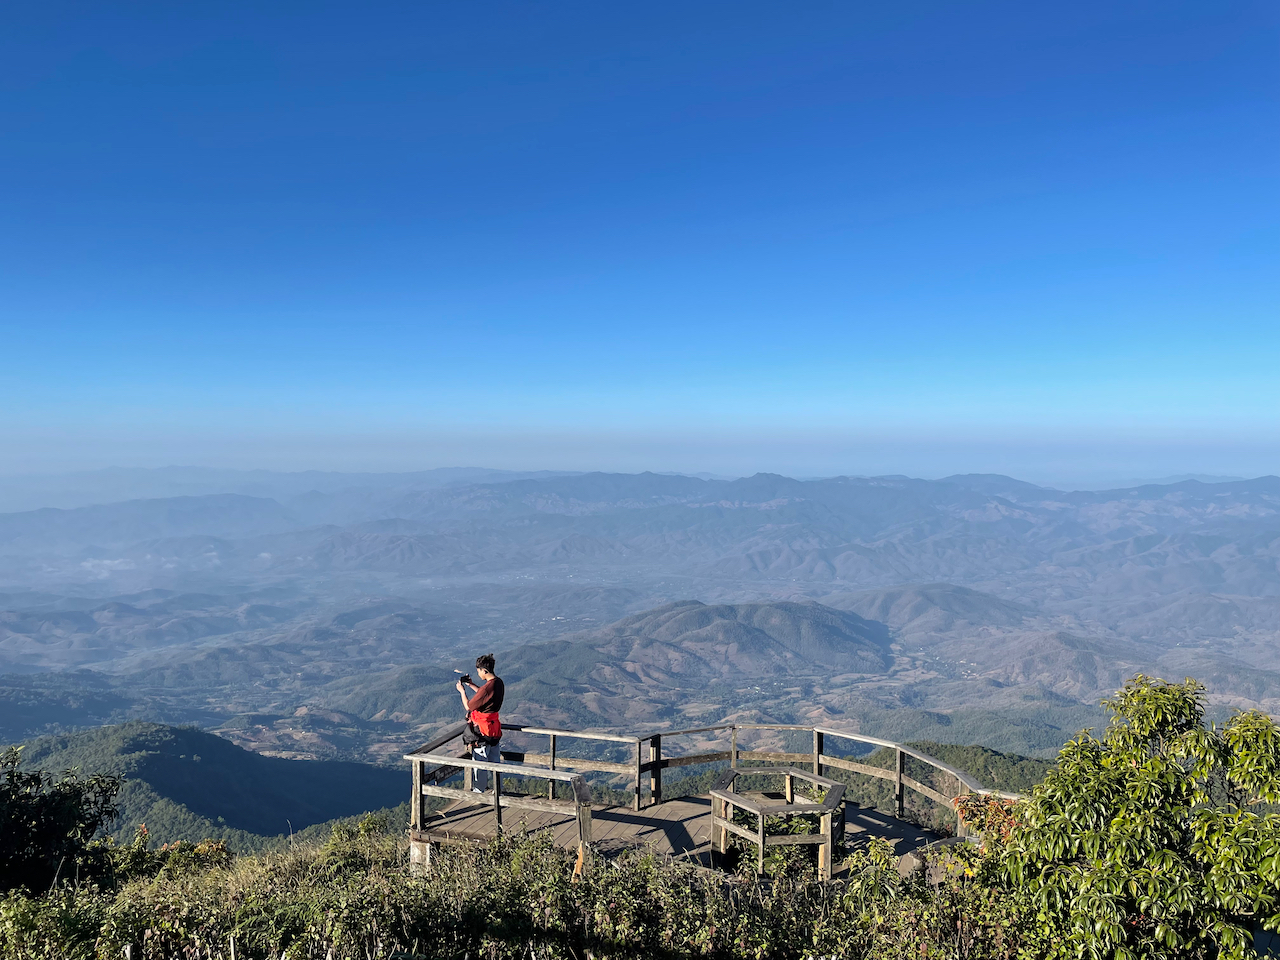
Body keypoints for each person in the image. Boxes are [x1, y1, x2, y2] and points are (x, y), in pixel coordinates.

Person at [457, 653, 504, 792]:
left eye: (479, 671)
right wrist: (471, 684)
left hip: (483, 731)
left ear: (484, 670)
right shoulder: (498, 683)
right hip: (494, 729)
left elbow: (469, 706)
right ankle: (498, 791)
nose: (478, 674)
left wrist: (462, 691)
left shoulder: (486, 688)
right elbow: (484, 695)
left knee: (480, 763)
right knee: (495, 762)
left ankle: (479, 792)